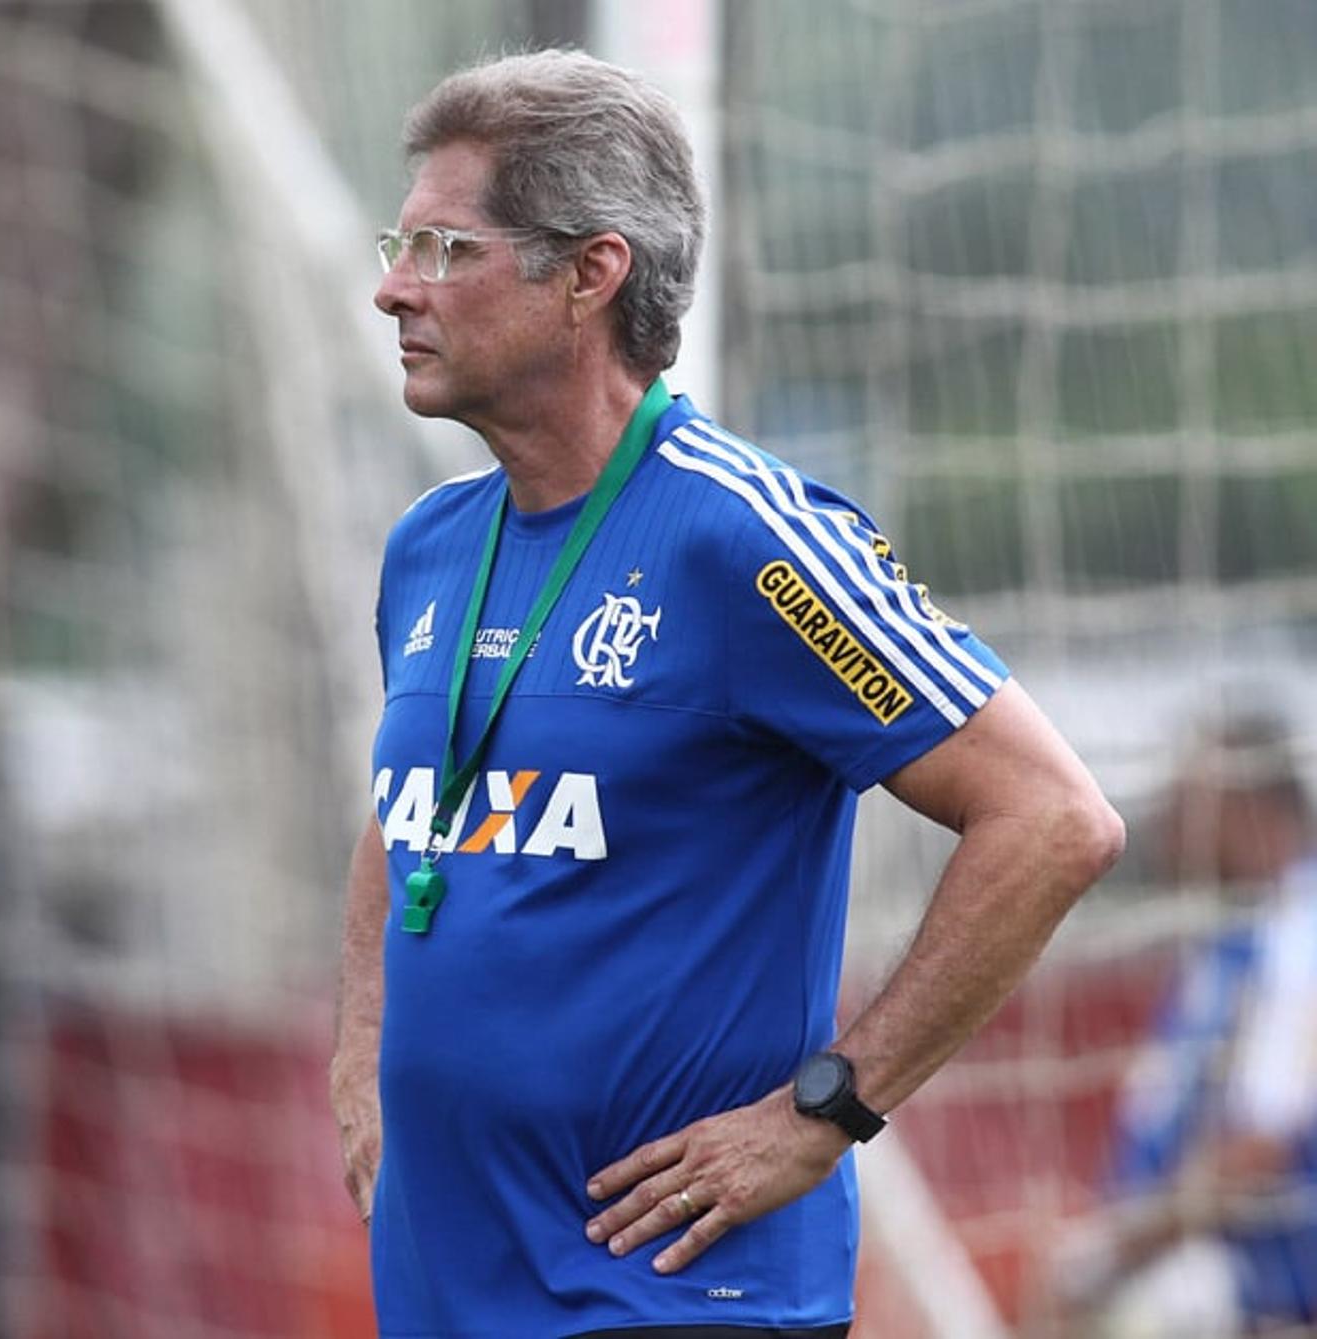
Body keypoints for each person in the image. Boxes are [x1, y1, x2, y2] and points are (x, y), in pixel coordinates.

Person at [328, 49, 1125, 1339]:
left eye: (443, 250)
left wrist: (825, 1112)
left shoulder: (740, 539)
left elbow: (1054, 820)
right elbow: (413, 809)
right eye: (397, 243)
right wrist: (358, 1048)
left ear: (590, 273)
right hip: (444, 1291)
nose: (391, 289)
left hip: (679, 1298)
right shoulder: (430, 545)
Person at [1048, 709, 1317, 1338]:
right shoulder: (1240, 932)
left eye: (1192, 802)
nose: (1172, 826)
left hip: (1252, 1285)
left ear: (1249, 805)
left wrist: (1112, 1252)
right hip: (1196, 1258)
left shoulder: (1299, 937)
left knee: (1163, 1308)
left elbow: (1259, 1149)